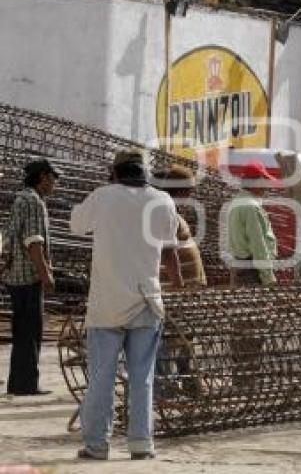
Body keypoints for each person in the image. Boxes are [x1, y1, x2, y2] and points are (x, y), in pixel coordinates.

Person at [70, 149, 183, 461]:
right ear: (144, 173)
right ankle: (141, 444)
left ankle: (96, 445)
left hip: (107, 303)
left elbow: (76, 225)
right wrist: (179, 284)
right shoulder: (163, 200)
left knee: (102, 379)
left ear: (115, 172)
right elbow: (171, 252)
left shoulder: (102, 196)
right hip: (147, 301)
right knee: (142, 378)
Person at [2, 158, 60, 396]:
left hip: (15, 275)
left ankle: (18, 383)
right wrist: (45, 275)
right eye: (53, 178)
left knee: (21, 331)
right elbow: (34, 242)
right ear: (43, 177)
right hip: (28, 276)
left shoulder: (21, 198)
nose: (54, 183)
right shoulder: (34, 202)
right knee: (30, 332)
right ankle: (27, 385)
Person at [152, 164, 207, 290]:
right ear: (181, 191)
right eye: (189, 191)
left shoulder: (172, 211)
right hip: (177, 288)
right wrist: (178, 284)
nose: (190, 196)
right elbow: (167, 252)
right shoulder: (164, 212)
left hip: (187, 286)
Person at [227, 161, 278, 287]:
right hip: (251, 272)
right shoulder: (251, 207)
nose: (267, 185)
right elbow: (258, 245)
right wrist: (268, 277)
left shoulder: (237, 201)